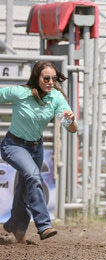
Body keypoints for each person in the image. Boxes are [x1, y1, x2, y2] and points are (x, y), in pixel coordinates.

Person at [1, 61, 77, 243]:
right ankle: (43, 225)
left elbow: (72, 129)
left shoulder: (56, 97)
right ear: (37, 78)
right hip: (13, 145)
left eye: (54, 78)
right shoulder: (20, 93)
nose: (51, 81)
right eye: (46, 78)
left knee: (25, 187)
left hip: (36, 148)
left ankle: (15, 225)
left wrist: (71, 120)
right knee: (34, 176)